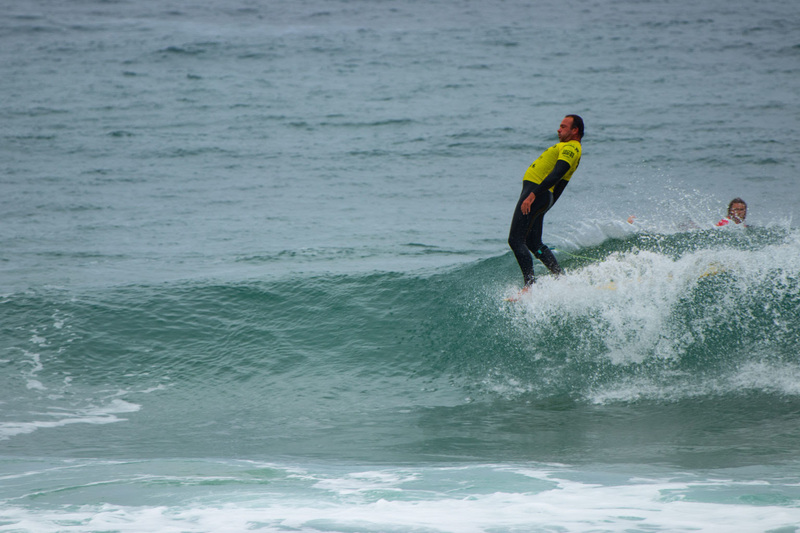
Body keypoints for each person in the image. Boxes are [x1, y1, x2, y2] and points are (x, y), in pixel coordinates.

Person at [508, 115, 584, 289]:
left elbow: (558, 174)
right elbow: (562, 183)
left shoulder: (571, 148)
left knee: (515, 240)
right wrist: (546, 205)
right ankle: (561, 279)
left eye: (563, 127)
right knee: (534, 243)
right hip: (542, 197)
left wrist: (533, 195)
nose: (559, 129)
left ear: (575, 130)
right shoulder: (569, 148)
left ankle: (529, 286)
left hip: (536, 194)